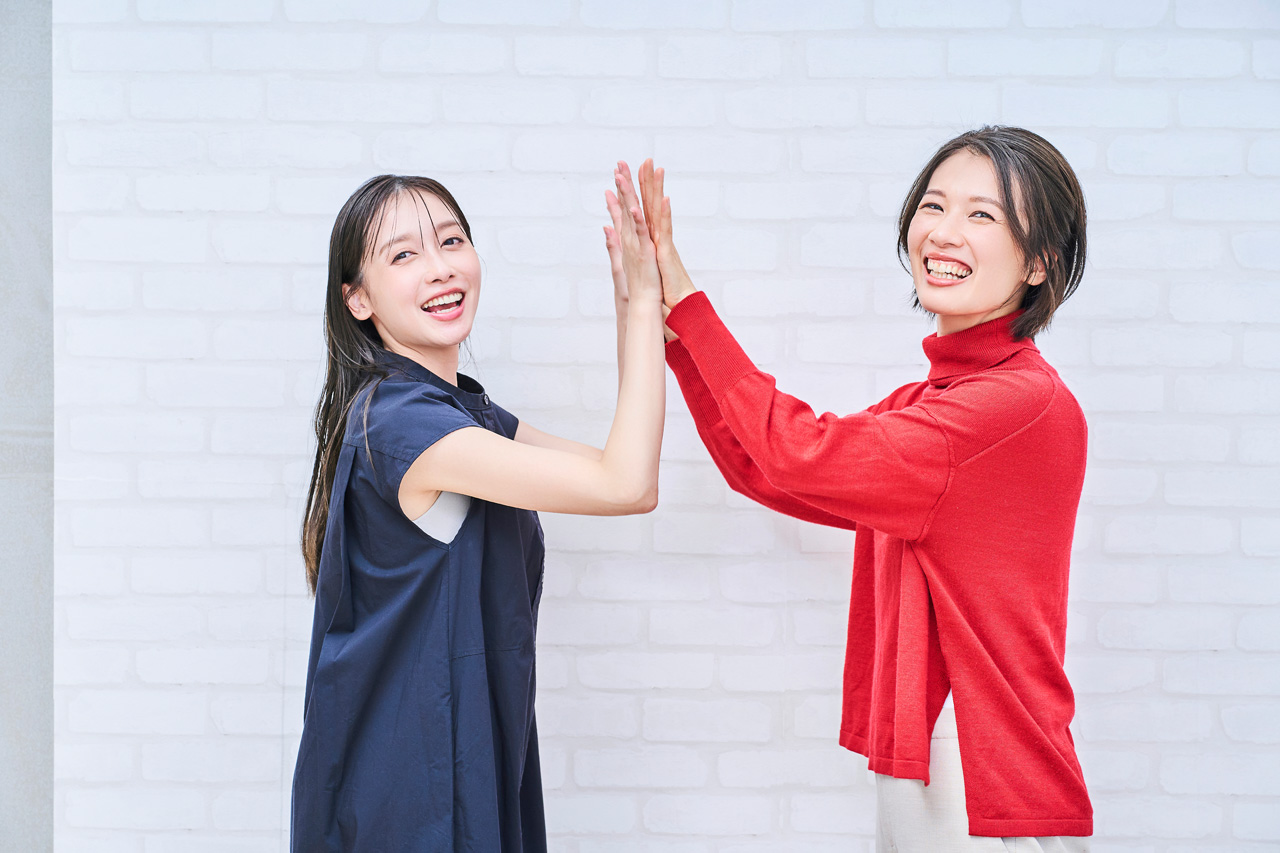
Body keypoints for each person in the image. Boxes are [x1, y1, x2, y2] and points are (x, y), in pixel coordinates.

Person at [633, 126, 1092, 850]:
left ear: (1040, 262)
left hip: (982, 777)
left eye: (983, 215)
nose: (944, 232)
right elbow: (765, 469)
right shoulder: (937, 402)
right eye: (934, 206)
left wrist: (690, 306)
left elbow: (797, 454)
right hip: (940, 756)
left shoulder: (1006, 408)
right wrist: (678, 341)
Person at [291, 166, 666, 852]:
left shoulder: (465, 414)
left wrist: (630, 301)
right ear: (358, 300)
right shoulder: (405, 427)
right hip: (409, 796)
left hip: (463, 761)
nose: (439, 268)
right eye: (403, 255)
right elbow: (626, 483)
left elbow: (617, 469)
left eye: (451, 240)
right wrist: (645, 307)